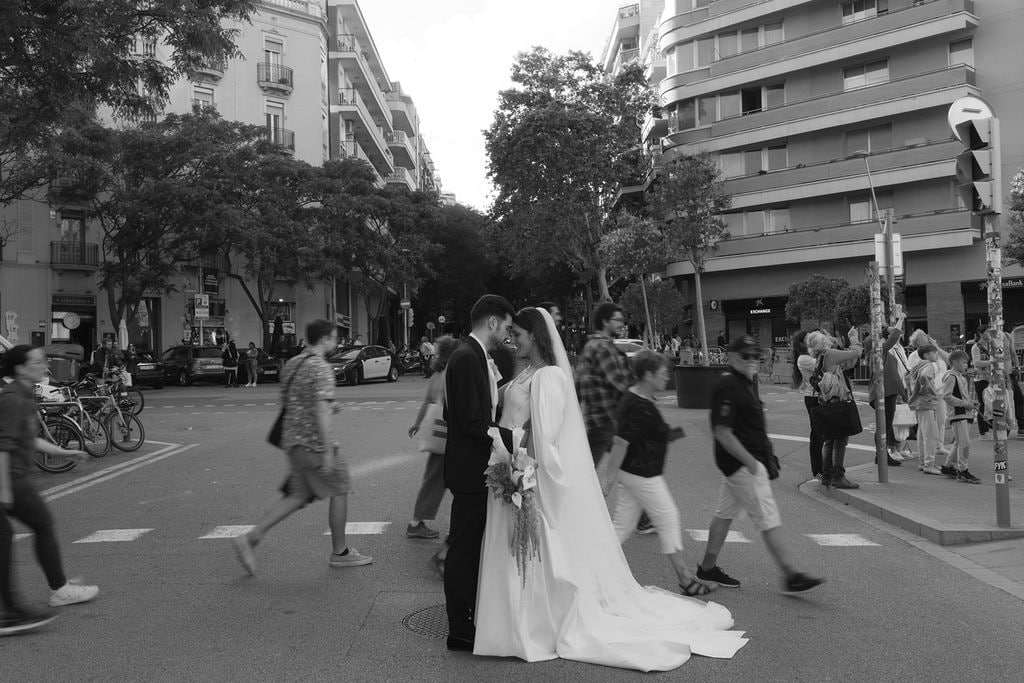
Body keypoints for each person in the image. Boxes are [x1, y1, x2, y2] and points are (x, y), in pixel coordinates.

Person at [474, 308, 746, 669]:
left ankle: (530, 623)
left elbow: (545, 438)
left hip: (524, 473)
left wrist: (521, 472)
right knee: (521, 552)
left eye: (520, 334)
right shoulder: (528, 371)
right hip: (511, 468)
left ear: (537, 336)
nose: (514, 340)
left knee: (535, 553)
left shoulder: (549, 377)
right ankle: (511, 622)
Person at [232, 320, 372, 575]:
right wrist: (328, 449)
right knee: (340, 488)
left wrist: (328, 406)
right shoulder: (321, 368)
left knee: (297, 496)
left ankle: (250, 538)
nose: (336, 343)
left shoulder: (293, 364)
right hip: (315, 445)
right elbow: (319, 410)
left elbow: (292, 401)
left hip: (293, 443)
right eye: (334, 338)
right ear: (326, 339)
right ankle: (340, 552)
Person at [696, 335, 825, 595]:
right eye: (746, 356)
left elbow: (747, 426)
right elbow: (722, 431)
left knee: (724, 514)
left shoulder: (743, 381)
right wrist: (752, 463)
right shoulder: (729, 386)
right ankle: (790, 575)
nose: (753, 360)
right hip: (743, 466)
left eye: (756, 355)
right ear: (732, 357)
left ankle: (707, 567)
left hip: (742, 464)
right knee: (767, 519)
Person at [1, 346, 99, 637]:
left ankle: (55, 590)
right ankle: (11, 610)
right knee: (8, 537)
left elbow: (28, 439)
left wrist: (63, 453)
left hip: (15, 477)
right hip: (8, 479)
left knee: (38, 526)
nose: (44, 365)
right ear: (20, 368)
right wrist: (4, 494)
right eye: (37, 361)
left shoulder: (26, 394)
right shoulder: (12, 399)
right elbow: (2, 447)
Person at [443, 294, 515, 652]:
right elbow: (472, 420)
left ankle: (466, 618)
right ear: (492, 322)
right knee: (463, 550)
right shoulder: (467, 357)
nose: (507, 333)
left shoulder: (472, 355)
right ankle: (458, 627)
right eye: (505, 325)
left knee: (467, 547)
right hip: (470, 469)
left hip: (472, 466)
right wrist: (514, 438)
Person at [611, 350, 714, 597]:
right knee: (668, 517)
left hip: (634, 473)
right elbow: (620, 442)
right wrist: (607, 479)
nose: (666, 376)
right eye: (662, 373)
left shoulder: (638, 398)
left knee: (621, 528)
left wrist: (677, 433)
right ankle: (686, 579)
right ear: (648, 375)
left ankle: (589, 566)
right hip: (642, 474)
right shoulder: (639, 404)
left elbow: (652, 434)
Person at [406, 336, 459, 544]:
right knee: (438, 481)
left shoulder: (437, 373)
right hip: (446, 434)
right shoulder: (450, 373)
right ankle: (416, 523)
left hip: (436, 433)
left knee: (437, 479)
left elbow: (428, 402)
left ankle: (418, 521)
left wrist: (417, 423)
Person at [574, 302, 633, 465]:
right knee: (588, 474)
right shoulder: (603, 348)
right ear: (605, 322)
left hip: (596, 420)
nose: (621, 324)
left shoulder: (590, 345)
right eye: (618, 320)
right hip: (605, 420)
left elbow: (578, 384)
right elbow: (620, 384)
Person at [805, 329, 862, 489]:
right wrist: (854, 337)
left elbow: (848, 362)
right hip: (838, 402)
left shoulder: (821, 356)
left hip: (828, 402)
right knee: (840, 440)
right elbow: (856, 352)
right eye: (826, 338)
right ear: (823, 343)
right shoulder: (829, 353)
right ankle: (838, 476)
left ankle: (827, 475)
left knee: (830, 440)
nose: (829, 339)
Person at [866, 315, 909, 464]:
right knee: (884, 425)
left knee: (885, 424)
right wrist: (901, 319)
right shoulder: (877, 350)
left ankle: (882, 455)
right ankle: (882, 455)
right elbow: (894, 336)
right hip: (884, 392)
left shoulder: (881, 351)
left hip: (889, 391)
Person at [907, 330, 950, 458]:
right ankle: (926, 455)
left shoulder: (934, 352)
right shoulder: (917, 356)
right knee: (926, 427)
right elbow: (918, 376)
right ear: (919, 341)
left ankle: (938, 446)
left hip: (941, 392)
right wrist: (924, 390)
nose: (929, 338)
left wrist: (936, 347)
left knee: (941, 420)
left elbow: (949, 359)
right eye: (925, 337)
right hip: (928, 396)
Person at [941, 351, 981, 483]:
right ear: (954, 363)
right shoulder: (952, 376)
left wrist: (970, 402)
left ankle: (948, 466)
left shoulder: (958, 376)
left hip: (963, 413)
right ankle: (963, 470)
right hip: (958, 414)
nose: (966, 365)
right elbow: (947, 396)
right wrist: (966, 404)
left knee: (959, 442)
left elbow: (960, 395)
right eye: (964, 362)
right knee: (964, 443)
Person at [792, 331, 824, 480]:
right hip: (813, 398)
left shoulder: (812, 355)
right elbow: (824, 366)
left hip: (822, 396)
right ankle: (817, 470)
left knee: (824, 434)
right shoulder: (804, 358)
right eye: (809, 338)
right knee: (817, 435)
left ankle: (825, 467)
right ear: (803, 343)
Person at [907, 343, 943, 475]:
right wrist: (928, 390)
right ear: (927, 354)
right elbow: (924, 377)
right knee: (930, 435)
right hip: (927, 402)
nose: (936, 355)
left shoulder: (918, 366)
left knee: (922, 434)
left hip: (919, 403)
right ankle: (929, 464)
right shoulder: (928, 365)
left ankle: (923, 462)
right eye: (934, 352)